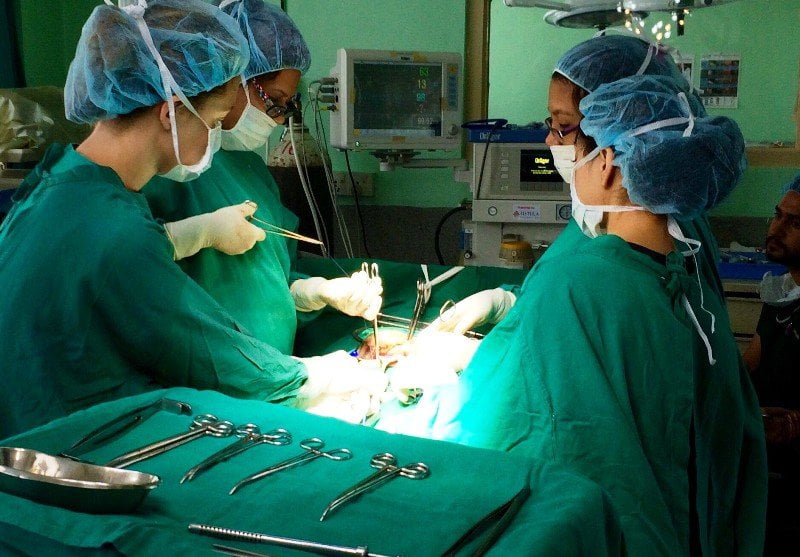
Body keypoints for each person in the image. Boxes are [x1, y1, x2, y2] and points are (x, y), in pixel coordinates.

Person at [401, 71, 767, 554]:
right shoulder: (678, 274)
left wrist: (414, 393)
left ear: (610, 162)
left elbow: (500, 424)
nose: (560, 150)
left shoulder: (577, 283)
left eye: (573, 139)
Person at [0, 0, 382, 440]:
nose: (216, 137)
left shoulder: (58, 185)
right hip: (66, 456)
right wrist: (320, 378)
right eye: (216, 120)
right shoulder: (115, 227)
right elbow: (204, 353)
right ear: (170, 112)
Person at [143, 0, 381, 359]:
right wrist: (193, 234)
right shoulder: (170, 169)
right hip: (208, 376)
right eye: (276, 100)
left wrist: (312, 291)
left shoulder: (252, 172)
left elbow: (270, 279)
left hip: (267, 374)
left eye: (288, 104)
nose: (281, 118)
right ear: (234, 79)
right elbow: (131, 275)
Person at [744, 175, 800, 550]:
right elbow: (750, 364)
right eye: (777, 215)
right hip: (768, 474)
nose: (775, 229)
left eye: (794, 223)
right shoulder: (782, 295)